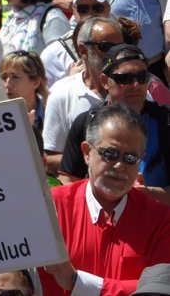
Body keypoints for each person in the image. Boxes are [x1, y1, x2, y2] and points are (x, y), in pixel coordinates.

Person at [40, 104, 170, 296]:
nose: (119, 165)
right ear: (86, 153)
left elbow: (160, 290)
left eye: (130, 158)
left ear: (140, 160)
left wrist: (77, 282)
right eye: (110, 154)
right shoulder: (50, 209)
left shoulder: (161, 221)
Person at [59, 44, 170, 193]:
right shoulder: (86, 122)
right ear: (105, 81)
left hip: (158, 214)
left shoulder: (165, 120)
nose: (135, 85)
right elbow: (68, 181)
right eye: (125, 78)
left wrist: (142, 196)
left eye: (142, 77)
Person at [42, 16, 124, 174]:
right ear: (83, 51)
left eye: (120, 47)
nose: (114, 55)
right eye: (106, 47)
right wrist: (99, 159)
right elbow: (50, 160)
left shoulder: (136, 91)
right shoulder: (61, 94)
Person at [40, 0, 112, 87]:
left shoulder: (124, 42)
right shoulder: (54, 54)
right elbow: (46, 99)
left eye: (97, 8)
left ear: (108, 9)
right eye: (83, 9)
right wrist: (71, 82)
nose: (90, 13)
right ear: (74, 11)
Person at [0, 51, 49, 131]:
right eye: (4, 77)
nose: (7, 84)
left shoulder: (52, 113)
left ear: (36, 82)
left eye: (15, 77)